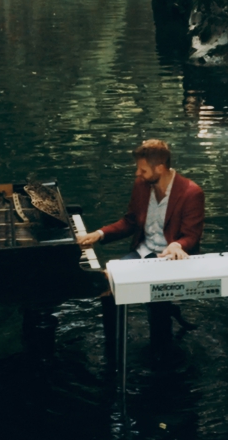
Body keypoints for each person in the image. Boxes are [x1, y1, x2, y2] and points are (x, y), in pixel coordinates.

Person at [76, 139, 204, 348]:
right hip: (143, 252)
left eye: (142, 170)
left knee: (156, 296)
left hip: (168, 258)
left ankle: (161, 351)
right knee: (107, 283)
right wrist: (99, 234)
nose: (138, 174)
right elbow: (130, 222)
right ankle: (113, 342)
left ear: (160, 168)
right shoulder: (142, 185)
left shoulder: (192, 193)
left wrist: (177, 245)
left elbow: (192, 236)